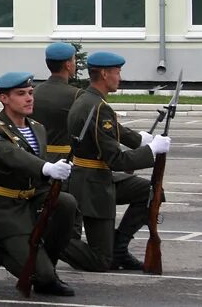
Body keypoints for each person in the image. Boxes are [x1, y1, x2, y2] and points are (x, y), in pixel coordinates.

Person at [63, 51, 171, 272]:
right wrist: (151, 151)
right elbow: (116, 160)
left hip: (96, 177)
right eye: (117, 72)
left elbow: (113, 130)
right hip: (92, 186)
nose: (119, 77)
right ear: (104, 74)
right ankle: (53, 242)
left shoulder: (88, 99)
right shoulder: (99, 107)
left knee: (149, 191)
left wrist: (140, 139)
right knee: (102, 261)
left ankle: (119, 248)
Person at [0, 71, 76, 297]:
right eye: (21, 94)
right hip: (5, 209)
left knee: (66, 203)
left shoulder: (37, 128)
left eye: (30, 93)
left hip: (31, 201)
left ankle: (45, 264)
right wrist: (46, 168)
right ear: (4, 98)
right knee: (40, 280)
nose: (29, 98)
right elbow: (11, 156)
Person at [31, 42, 81, 163]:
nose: (75, 64)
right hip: (65, 159)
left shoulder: (34, 92)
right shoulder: (76, 95)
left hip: (36, 158)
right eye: (74, 60)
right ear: (68, 65)